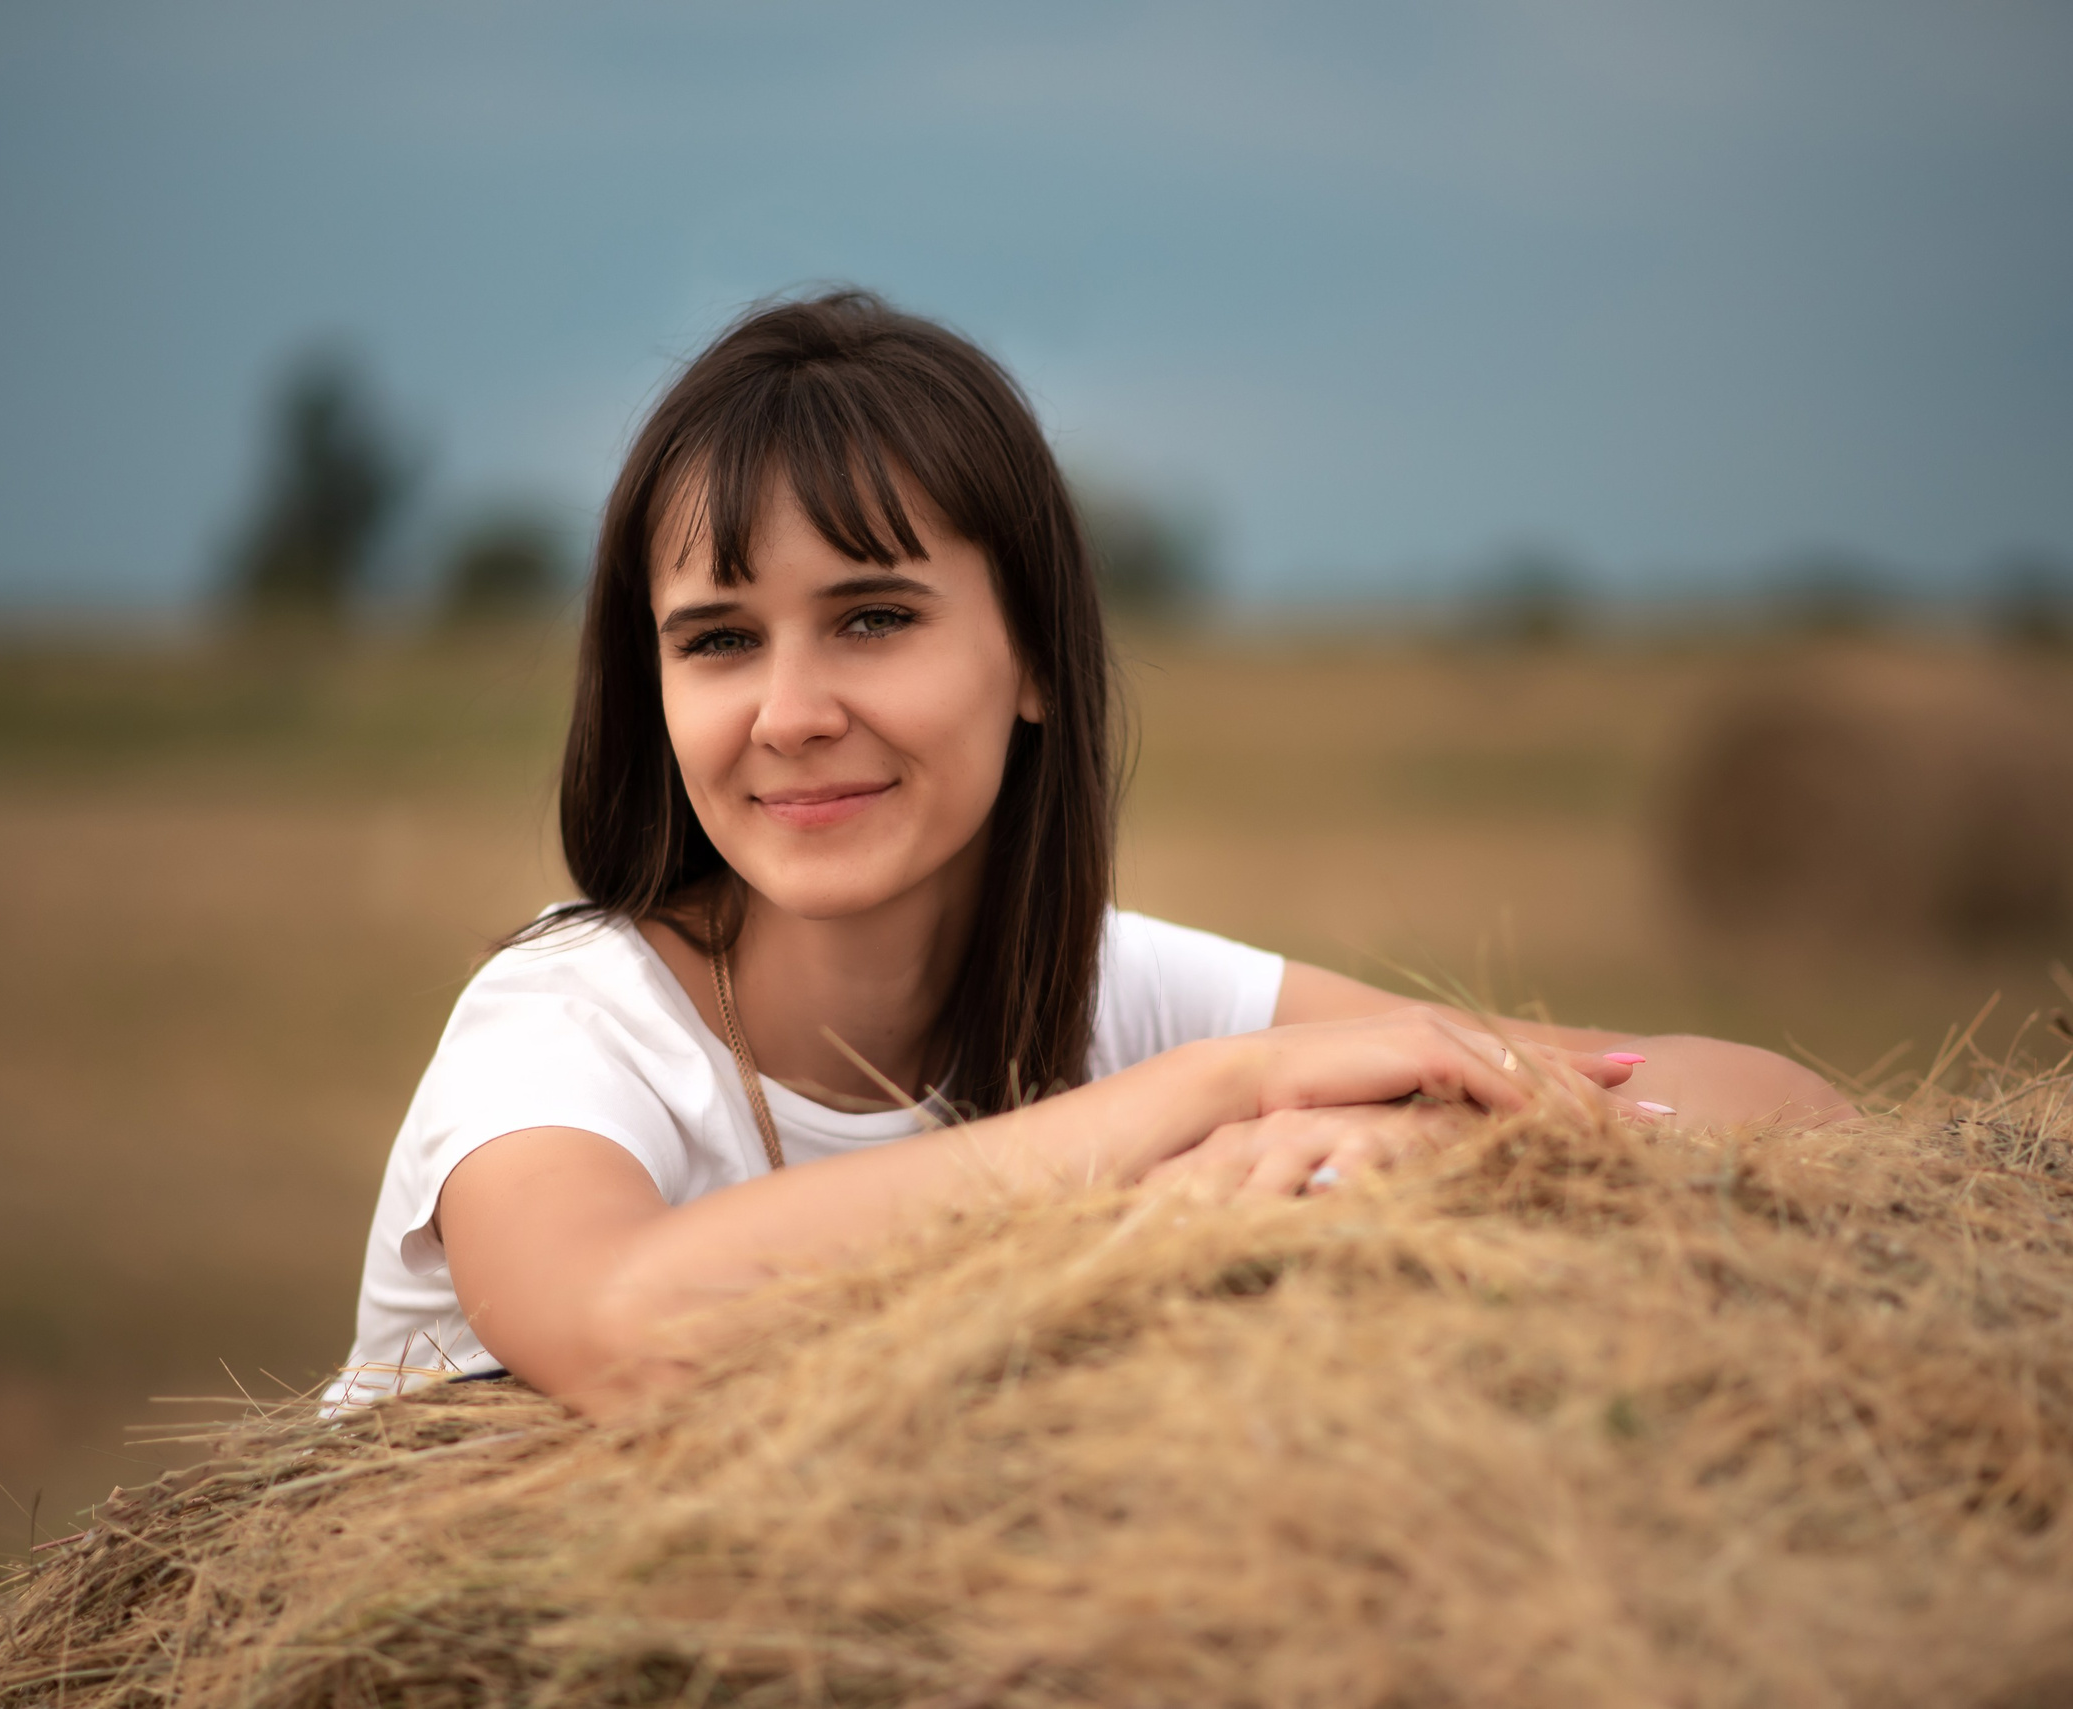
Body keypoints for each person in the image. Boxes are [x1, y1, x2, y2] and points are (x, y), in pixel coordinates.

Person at [332, 292, 1845, 1418]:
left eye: (873, 617)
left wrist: (1447, 1142)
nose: (791, 714)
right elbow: (622, 1324)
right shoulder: (567, 1026)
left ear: (1039, 655)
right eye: (719, 641)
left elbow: (1777, 1108)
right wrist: (1206, 1096)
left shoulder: (1103, 983)